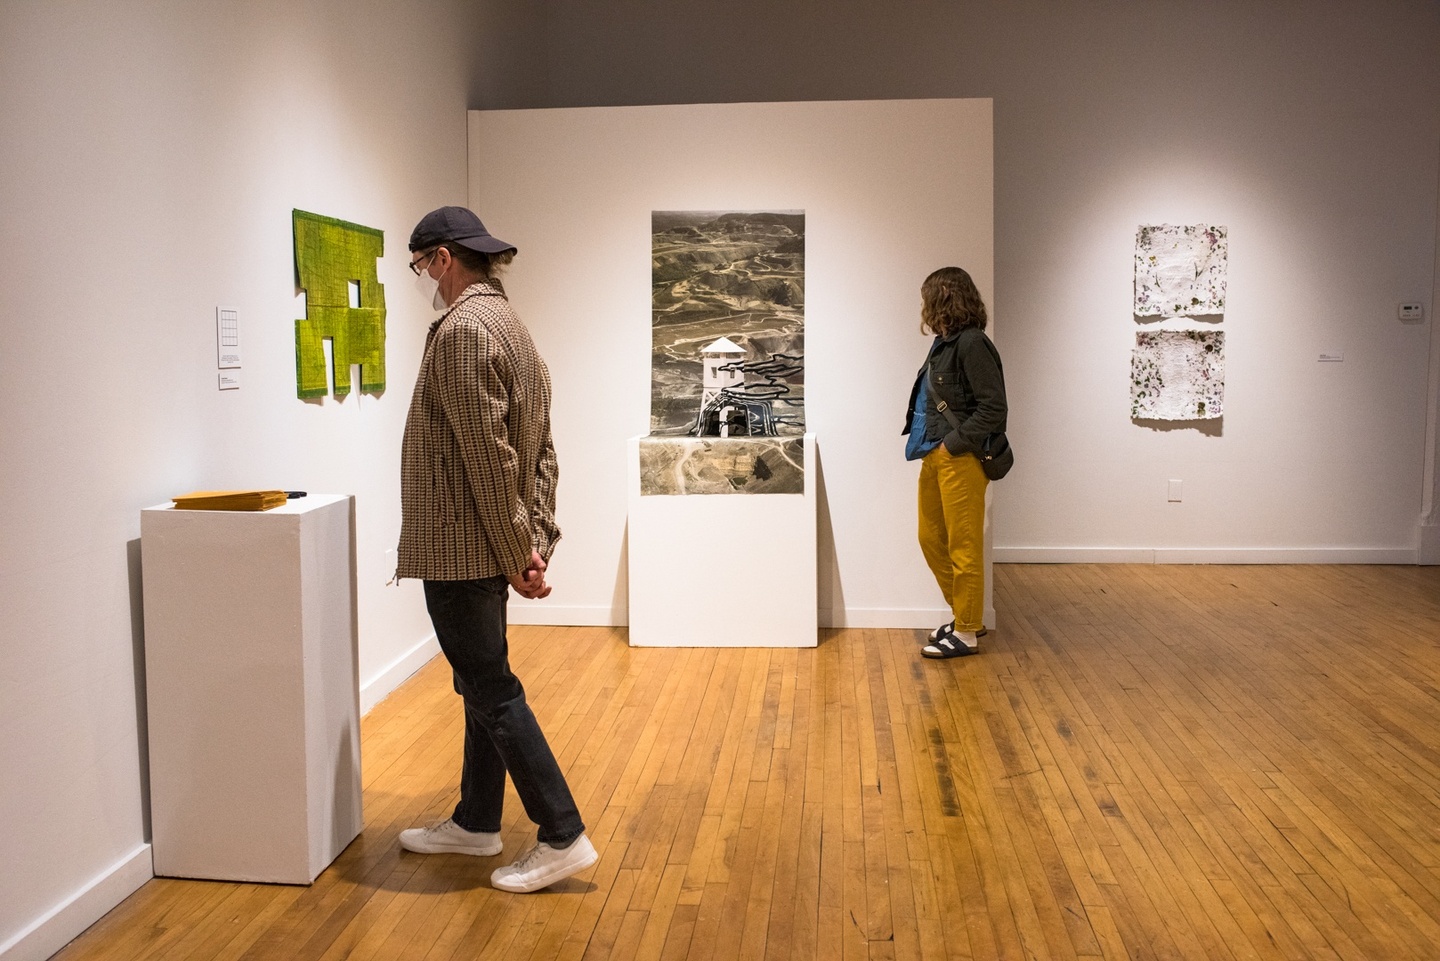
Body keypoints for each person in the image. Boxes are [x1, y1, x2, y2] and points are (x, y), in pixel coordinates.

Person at [394, 206, 596, 893]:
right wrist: (535, 539)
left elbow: (488, 454)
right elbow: (538, 448)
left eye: (421, 265)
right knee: (480, 680)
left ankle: (561, 830)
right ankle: (478, 820)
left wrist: (517, 550)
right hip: (490, 544)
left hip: (461, 547)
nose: (423, 277)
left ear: (444, 258)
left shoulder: (461, 330)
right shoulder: (512, 326)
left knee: (490, 687)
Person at [900, 266, 1008, 659]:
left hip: (958, 458)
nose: (924, 307)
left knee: (963, 546)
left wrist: (953, 445)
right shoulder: (945, 343)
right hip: (933, 453)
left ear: (944, 297)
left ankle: (965, 631)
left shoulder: (972, 343)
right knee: (930, 539)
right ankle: (967, 616)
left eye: (928, 297)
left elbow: (994, 408)